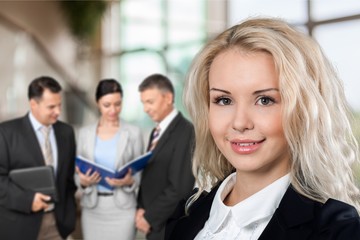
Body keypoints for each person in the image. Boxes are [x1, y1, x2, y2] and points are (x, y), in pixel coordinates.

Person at [165, 17, 360, 240]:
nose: (240, 123)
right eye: (224, 100)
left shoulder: (336, 230)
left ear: (302, 110)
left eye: (264, 100)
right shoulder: (185, 213)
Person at [0, 76, 77, 239]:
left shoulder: (66, 132)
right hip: (19, 226)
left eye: (59, 105)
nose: (58, 112)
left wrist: (68, 215)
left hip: (58, 225)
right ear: (33, 104)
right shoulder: (6, 133)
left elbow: (68, 180)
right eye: (51, 107)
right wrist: (28, 200)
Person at [76, 79, 144, 240]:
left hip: (123, 209)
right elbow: (77, 171)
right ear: (97, 103)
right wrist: (83, 182)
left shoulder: (134, 133)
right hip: (92, 209)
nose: (113, 110)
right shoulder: (84, 134)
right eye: (107, 105)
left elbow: (141, 175)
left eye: (118, 104)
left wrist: (128, 181)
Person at [136, 73, 195, 239]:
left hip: (167, 225)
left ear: (168, 98)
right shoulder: (156, 132)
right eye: (143, 103)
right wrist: (141, 206)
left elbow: (180, 187)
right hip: (153, 223)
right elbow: (151, 176)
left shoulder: (186, 132)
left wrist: (149, 218)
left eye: (150, 102)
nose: (145, 109)